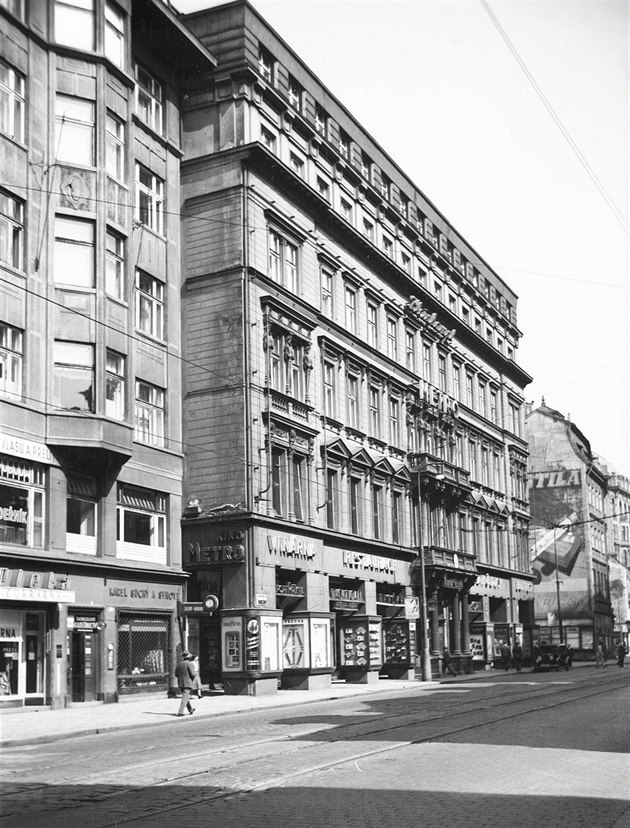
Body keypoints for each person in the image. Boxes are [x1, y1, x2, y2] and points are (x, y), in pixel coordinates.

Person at [175, 650, 196, 716]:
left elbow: (176, 674)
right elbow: (193, 674)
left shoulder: (178, 664)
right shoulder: (190, 664)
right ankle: (180, 712)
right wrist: (192, 679)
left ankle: (190, 709)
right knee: (185, 697)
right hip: (187, 682)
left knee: (185, 696)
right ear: (189, 657)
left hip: (180, 682)